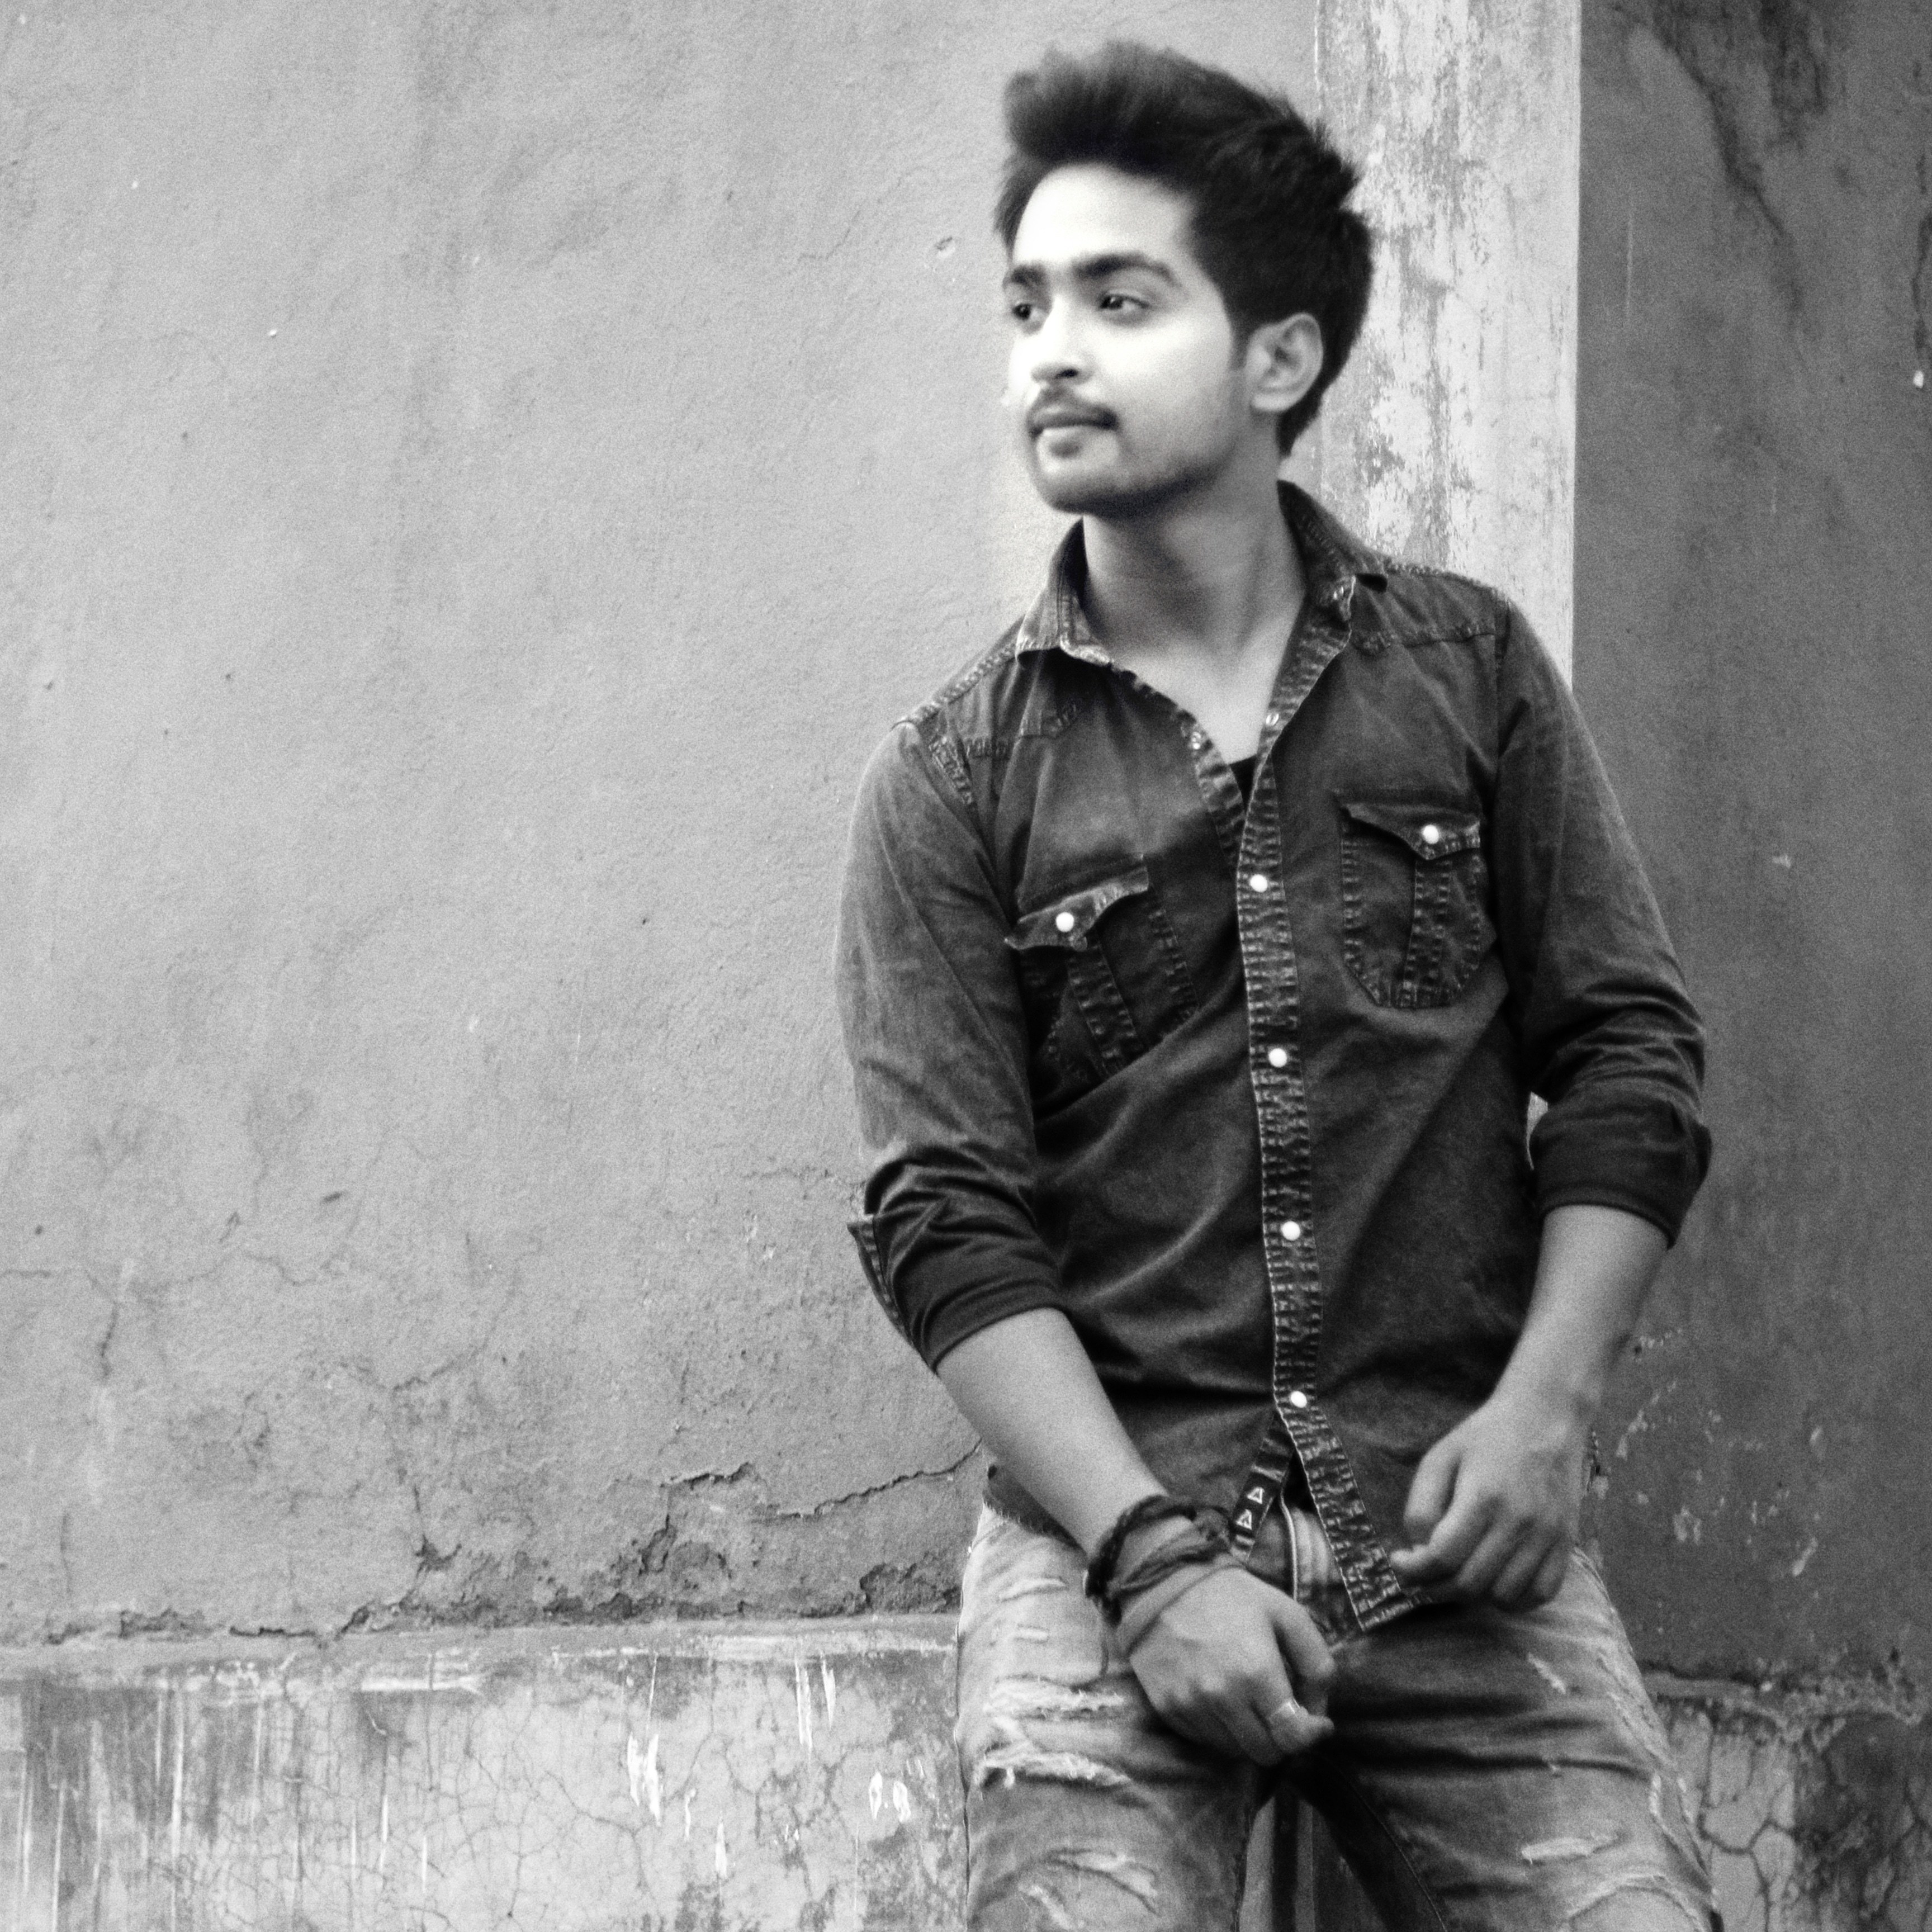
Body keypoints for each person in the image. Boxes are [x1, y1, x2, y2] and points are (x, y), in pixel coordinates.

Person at [835, 41, 1718, 1932]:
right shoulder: (955, 775)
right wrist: (1154, 1565)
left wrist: (1548, 1410)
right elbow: (947, 1223)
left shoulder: (1470, 677)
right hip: (1110, 1546)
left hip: (1457, 1530)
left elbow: (1630, 1061)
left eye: (1119, 300)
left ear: (1279, 357)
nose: (1050, 354)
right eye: (1027, 306)